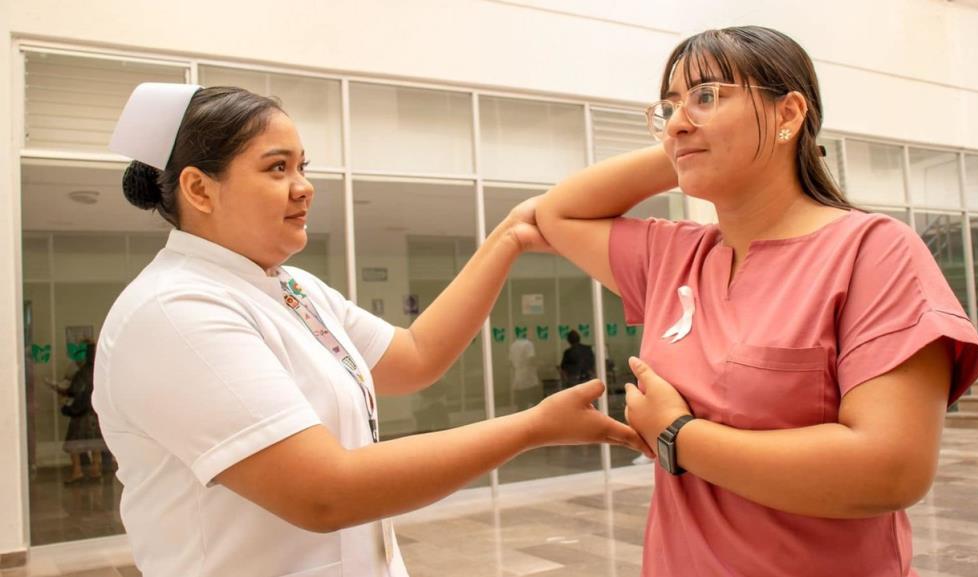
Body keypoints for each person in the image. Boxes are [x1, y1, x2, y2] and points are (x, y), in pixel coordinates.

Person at [95, 83, 650, 577]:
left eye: (302, 167)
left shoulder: (291, 287)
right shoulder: (175, 312)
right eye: (277, 168)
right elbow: (324, 493)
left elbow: (415, 356)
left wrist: (507, 238)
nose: (304, 187)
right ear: (199, 189)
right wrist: (531, 429)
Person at [536, 26, 978, 577]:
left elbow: (892, 470)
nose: (676, 120)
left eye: (707, 95)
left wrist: (679, 436)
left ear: (788, 113)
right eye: (669, 107)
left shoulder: (872, 250)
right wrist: (689, 145)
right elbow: (557, 214)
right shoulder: (674, 255)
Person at [52, 342, 105, 484]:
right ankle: (96, 471)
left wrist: (67, 403)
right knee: (96, 446)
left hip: (81, 415)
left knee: (73, 445)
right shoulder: (100, 371)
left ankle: (77, 472)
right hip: (96, 414)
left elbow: (74, 391)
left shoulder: (82, 373)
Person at [509, 335, 540, 410]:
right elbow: (531, 359)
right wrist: (539, 365)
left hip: (518, 379)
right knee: (536, 404)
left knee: (522, 405)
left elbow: (510, 363)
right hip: (529, 379)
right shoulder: (528, 344)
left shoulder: (513, 345)